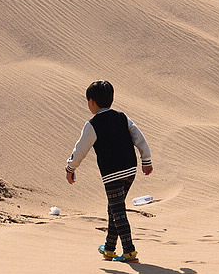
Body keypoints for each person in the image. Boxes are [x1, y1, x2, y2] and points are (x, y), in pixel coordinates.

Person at [65, 80, 153, 263]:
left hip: (113, 173)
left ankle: (129, 251)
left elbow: (80, 149)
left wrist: (70, 168)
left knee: (118, 210)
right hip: (130, 170)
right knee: (114, 207)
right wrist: (146, 160)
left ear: (92, 102)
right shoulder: (122, 117)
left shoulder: (93, 124)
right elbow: (139, 137)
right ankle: (110, 248)